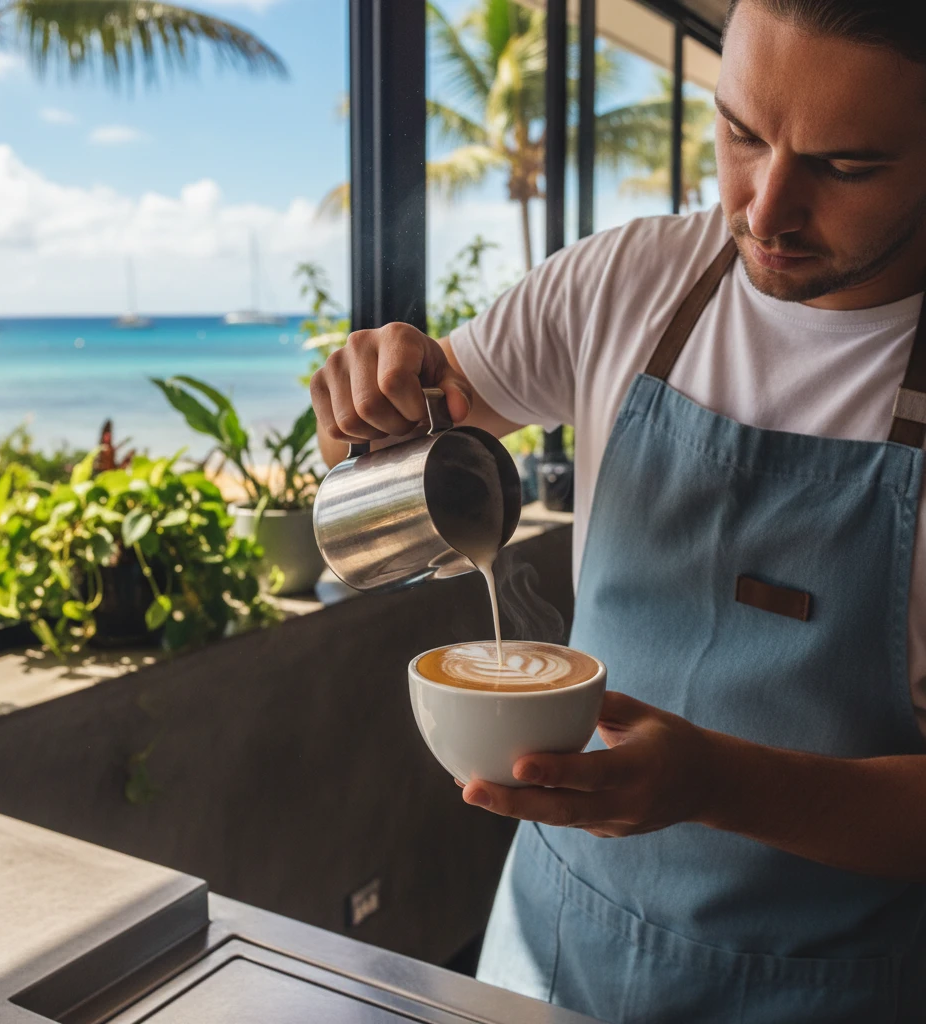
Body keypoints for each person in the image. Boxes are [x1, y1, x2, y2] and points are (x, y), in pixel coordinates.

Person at [310, 1, 926, 1020]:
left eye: (845, 166)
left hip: (822, 989)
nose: (766, 208)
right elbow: (363, 453)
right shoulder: (625, 284)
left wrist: (716, 784)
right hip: (547, 950)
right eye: (740, 134)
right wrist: (362, 394)